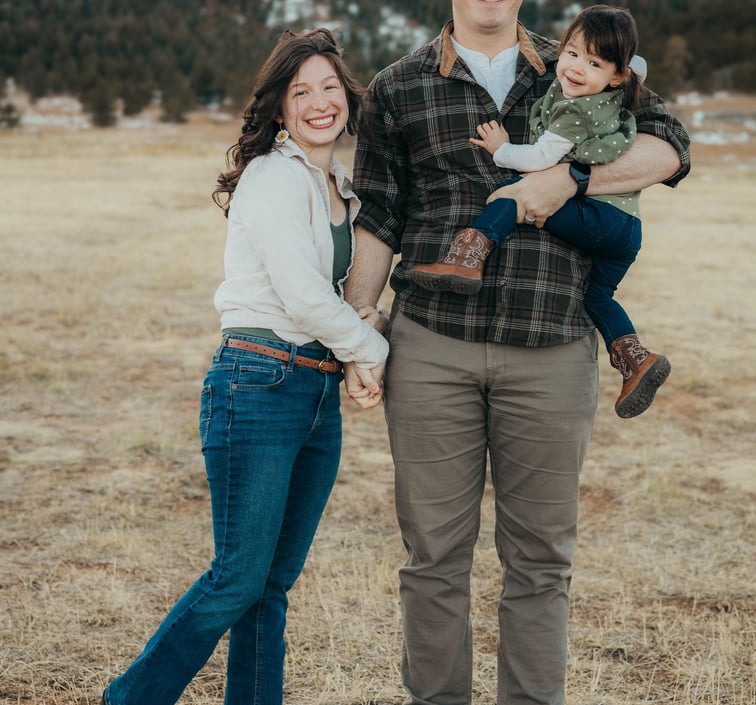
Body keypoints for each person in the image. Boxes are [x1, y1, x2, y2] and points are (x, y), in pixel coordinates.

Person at [343, 0, 690, 703]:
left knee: (540, 561)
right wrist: (357, 330)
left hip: (552, 343)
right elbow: (379, 213)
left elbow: (670, 148)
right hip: (432, 344)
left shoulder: (581, 62)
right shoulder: (397, 86)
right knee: (434, 557)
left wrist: (576, 178)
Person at [102, 28, 387, 705]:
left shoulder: (340, 187)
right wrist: (370, 349)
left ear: (347, 97)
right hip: (257, 382)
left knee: (271, 585)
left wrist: (358, 341)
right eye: (301, 92)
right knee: (237, 577)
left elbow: (346, 299)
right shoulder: (272, 177)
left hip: (312, 393)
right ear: (280, 110)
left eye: (328, 88)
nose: (319, 102)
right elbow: (301, 294)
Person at [408, 5, 670, 419]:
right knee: (598, 296)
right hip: (625, 229)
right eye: (572, 54)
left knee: (514, 196)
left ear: (618, 75)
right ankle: (635, 358)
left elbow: (537, 158)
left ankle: (468, 254)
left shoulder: (574, 110)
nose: (577, 67)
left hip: (601, 219)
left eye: (594, 63)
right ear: (562, 48)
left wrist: (501, 149)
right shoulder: (611, 93)